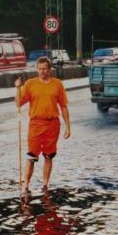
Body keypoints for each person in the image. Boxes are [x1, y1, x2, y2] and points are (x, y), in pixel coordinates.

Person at [15, 56, 71, 192]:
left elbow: (63, 106)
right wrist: (18, 88)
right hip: (36, 124)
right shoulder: (30, 84)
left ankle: (45, 185)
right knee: (31, 156)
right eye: (39, 69)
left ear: (49, 69)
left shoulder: (57, 84)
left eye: (44, 69)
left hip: (53, 124)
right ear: (37, 69)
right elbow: (18, 103)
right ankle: (26, 186)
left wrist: (68, 126)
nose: (42, 71)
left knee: (48, 155)